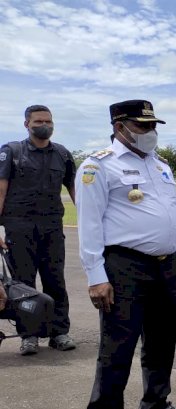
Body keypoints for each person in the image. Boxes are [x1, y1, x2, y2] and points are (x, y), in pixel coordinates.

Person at [77, 100, 176, 409]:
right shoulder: (98, 166)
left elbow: (175, 214)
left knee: (161, 342)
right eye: (143, 126)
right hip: (124, 268)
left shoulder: (160, 165)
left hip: (166, 265)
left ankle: (156, 407)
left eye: (154, 125)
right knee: (118, 347)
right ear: (120, 127)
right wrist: (95, 276)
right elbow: (89, 225)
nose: (151, 132)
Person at [0, 104, 77, 356]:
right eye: (39, 121)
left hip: (52, 228)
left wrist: (91, 222)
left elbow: (75, 190)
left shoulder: (63, 154)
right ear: (27, 124)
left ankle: (59, 333)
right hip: (18, 228)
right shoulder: (12, 152)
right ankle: (28, 336)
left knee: (56, 280)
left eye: (49, 121)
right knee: (23, 284)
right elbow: (0, 190)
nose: (45, 125)